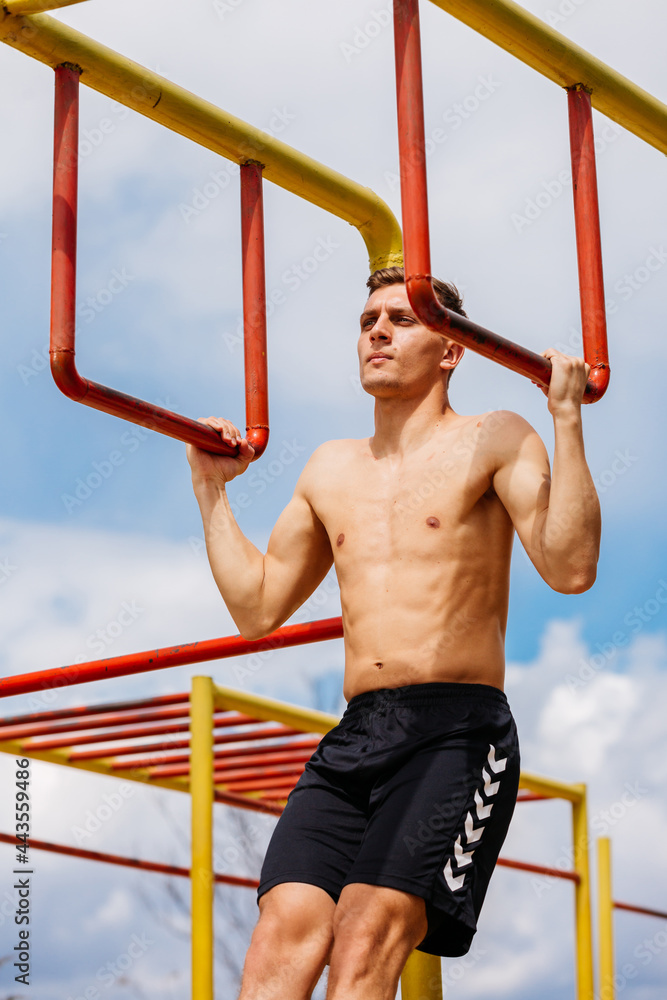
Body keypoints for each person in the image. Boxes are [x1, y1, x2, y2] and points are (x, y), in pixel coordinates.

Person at [186, 266, 601, 1000]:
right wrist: (210, 489)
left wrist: (566, 421)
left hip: (454, 730)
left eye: (401, 319)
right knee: (280, 932)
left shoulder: (495, 437)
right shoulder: (329, 467)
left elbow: (570, 567)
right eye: (367, 320)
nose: (376, 331)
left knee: (366, 936)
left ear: (450, 350)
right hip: (356, 735)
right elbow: (256, 608)